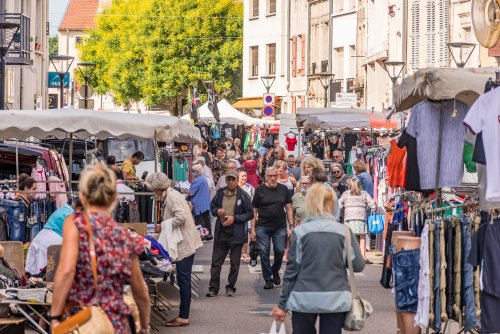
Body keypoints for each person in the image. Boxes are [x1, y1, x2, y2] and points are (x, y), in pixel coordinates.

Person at [50, 164, 150, 333]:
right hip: (117, 325)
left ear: (82, 196)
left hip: (84, 322)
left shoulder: (75, 224)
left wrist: (55, 317)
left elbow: (66, 270)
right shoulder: (125, 238)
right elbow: (140, 292)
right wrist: (145, 327)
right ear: (114, 198)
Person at [272, 184, 365, 334]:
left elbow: (291, 272)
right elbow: (358, 265)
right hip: (335, 297)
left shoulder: (300, 232)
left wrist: (282, 305)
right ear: (330, 205)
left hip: (304, 297)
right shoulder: (344, 232)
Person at [146, 172, 203, 327]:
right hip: (185, 240)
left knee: (183, 279)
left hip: (185, 242)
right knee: (184, 278)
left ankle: (184, 316)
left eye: (153, 189)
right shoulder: (171, 195)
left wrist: (163, 225)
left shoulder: (171, 196)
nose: (153, 192)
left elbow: (181, 217)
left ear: (157, 187)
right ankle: (183, 315)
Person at [207, 170, 254, 297]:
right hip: (221, 232)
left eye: (233, 179)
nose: (231, 182)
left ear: (237, 179)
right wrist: (218, 211)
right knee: (216, 262)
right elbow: (212, 208)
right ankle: (213, 288)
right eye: (229, 179)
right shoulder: (220, 193)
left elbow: (250, 214)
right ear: (226, 180)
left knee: (234, 263)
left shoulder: (243, 195)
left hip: (236, 234)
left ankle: (231, 287)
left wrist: (235, 218)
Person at [252, 166, 294, 289]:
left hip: (279, 226)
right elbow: (254, 210)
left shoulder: (284, 189)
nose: (273, 178)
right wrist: (253, 229)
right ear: (266, 177)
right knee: (264, 252)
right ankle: (268, 279)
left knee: (280, 251)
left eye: (275, 175)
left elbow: (289, 208)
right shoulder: (260, 190)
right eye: (270, 176)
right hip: (263, 226)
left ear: (277, 176)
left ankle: (275, 270)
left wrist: (290, 226)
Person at [25, 199, 84, 276]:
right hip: (51, 242)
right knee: (43, 276)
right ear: (80, 208)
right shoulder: (72, 216)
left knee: (30, 274)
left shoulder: (63, 208)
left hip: (39, 238)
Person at [339, 178, 376, 262]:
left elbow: (339, 204)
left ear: (349, 185)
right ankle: (363, 256)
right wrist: (373, 210)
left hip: (349, 219)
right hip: (360, 218)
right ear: (360, 185)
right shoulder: (364, 194)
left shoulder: (345, 194)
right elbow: (372, 204)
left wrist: (339, 212)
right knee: (362, 237)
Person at [189, 164, 212, 241]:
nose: (192, 172)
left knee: (199, 222)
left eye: (193, 171)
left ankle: (202, 237)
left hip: (199, 204)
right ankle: (209, 236)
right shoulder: (203, 178)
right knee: (206, 221)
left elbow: (191, 193)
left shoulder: (197, 180)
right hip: (205, 203)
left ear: (197, 171)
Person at [238, 168, 255, 262]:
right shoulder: (234, 187)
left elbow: (254, 203)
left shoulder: (250, 188)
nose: (244, 178)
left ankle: (245, 253)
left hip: (247, 215)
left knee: (245, 234)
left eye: (245, 176)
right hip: (236, 215)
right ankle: (237, 253)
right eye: (242, 176)